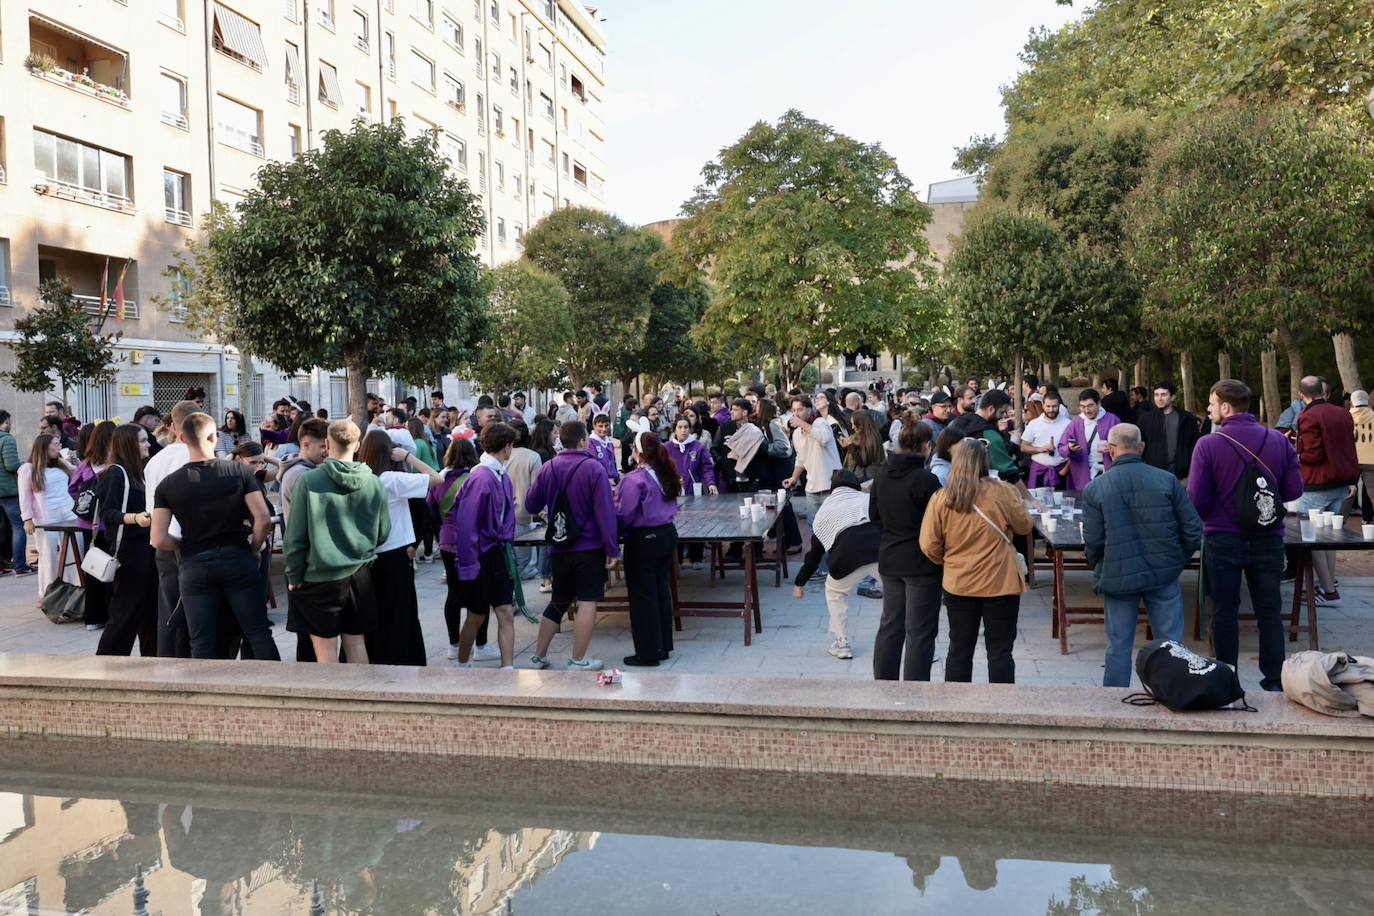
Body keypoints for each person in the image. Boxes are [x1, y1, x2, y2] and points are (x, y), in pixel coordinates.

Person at [1188, 380, 1303, 691]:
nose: (1209, 409)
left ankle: (1226, 678)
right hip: (1268, 536)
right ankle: (1275, 680)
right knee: (1269, 610)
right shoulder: (1278, 441)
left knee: (1224, 609)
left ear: (1226, 407)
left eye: (1211, 404)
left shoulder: (1208, 445)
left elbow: (1196, 498)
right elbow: (1294, 489)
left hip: (1222, 537)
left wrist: (1220, 509)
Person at [150, 413, 280, 661]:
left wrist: (183, 546)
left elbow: (158, 538)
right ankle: (277, 691)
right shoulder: (238, 472)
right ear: (213, 436)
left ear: (180, 438)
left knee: (201, 640)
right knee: (258, 632)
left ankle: (204, 695)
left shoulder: (168, 484)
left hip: (194, 563)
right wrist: (254, 548)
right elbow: (262, 519)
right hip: (237, 557)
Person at [1082, 424, 1202, 687]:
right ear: (1141, 447)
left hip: (1118, 573)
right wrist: (1177, 560)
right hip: (1163, 571)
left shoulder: (1095, 488)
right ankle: (1172, 691)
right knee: (1171, 643)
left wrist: (1100, 563)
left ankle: (1114, 701)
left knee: (1118, 645)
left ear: (1111, 450)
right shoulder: (1167, 480)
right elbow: (1194, 529)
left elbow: (1093, 540)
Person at [919, 439, 1032, 683]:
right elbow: (1024, 526)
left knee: (959, 649)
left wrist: (949, 561)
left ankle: (957, 707)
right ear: (985, 461)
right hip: (1001, 582)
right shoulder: (1003, 491)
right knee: (1000, 650)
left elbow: (928, 544)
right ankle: (1000, 707)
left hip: (959, 582)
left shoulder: (943, 497)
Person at [282, 420, 390, 664]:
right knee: (356, 643)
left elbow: (296, 536)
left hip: (318, 575)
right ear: (358, 445)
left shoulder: (309, 482)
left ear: (328, 444)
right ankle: (359, 698)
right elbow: (383, 532)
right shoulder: (373, 481)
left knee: (325, 652)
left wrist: (294, 575)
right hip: (359, 573)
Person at [524, 421, 619, 671]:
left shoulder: (549, 467)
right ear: (582, 440)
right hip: (588, 547)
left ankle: (538, 656)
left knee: (558, 600)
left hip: (559, 546)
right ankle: (578, 659)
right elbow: (605, 512)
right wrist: (612, 548)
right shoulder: (593, 468)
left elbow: (531, 504)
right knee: (588, 601)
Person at [357, 429, 443, 666]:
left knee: (376, 614)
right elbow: (436, 478)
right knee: (400, 614)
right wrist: (407, 457)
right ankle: (401, 662)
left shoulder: (360, 479)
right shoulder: (390, 480)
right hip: (394, 556)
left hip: (368, 557)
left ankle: (378, 660)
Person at [869, 418, 942, 680]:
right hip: (921, 563)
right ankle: (915, 691)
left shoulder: (882, 475)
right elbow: (939, 524)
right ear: (926, 446)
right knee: (919, 632)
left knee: (891, 625)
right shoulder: (927, 479)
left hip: (890, 556)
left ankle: (884, 683)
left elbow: (874, 516)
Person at [449, 422, 519, 669]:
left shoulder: (500, 474)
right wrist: (469, 564)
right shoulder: (481, 477)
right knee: (477, 615)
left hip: (498, 553)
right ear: (506, 446)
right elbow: (467, 523)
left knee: (505, 611)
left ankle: (508, 668)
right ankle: (462, 662)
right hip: (480, 556)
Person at [792, 470, 880, 660]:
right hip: (879, 554)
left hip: (846, 559)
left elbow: (814, 555)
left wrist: (799, 583)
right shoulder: (867, 499)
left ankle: (842, 644)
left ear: (832, 489)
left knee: (835, 594)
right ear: (856, 485)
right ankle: (914, 641)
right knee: (901, 594)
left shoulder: (824, 512)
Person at [617, 431, 682, 667]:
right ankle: (662, 645)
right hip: (666, 534)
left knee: (643, 596)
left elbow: (624, 514)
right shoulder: (665, 472)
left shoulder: (634, 479)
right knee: (660, 591)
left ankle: (648, 652)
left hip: (644, 539)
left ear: (637, 453)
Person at [1293, 375, 1359, 605]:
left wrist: (1295, 453)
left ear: (1302, 395)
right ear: (1324, 392)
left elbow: (1313, 454)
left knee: (1309, 536)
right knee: (1328, 534)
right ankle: (1330, 582)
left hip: (1317, 482)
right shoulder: (1342, 413)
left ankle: (1329, 591)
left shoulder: (1308, 415)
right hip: (1341, 481)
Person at [94, 424, 159, 657]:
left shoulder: (140, 472)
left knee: (151, 612)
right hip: (129, 553)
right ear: (129, 444)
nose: (148, 444)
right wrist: (135, 518)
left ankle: (152, 663)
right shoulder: (115, 473)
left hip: (148, 551)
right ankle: (107, 662)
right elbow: (108, 514)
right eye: (143, 440)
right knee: (125, 613)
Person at [143, 399, 201, 657]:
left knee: (168, 607)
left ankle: (166, 659)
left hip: (162, 539)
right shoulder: (193, 455)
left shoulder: (155, 460)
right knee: (195, 608)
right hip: (189, 541)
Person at [68, 421, 116, 629]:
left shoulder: (86, 464)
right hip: (112, 524)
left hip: (88, 525)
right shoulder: (116, 465)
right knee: (113, 569)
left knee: (94, 568)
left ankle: (94, 618)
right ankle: (112, 615)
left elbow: (72, 489)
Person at [18, 434, 78, 598]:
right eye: (55, 444)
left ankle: (76, 588)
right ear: (44, 446)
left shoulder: (60, 462)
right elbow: (24, 496)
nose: (59, 447)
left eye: (59, 443)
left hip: (68, 511)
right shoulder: (28, 468)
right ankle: (47, 593)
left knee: (75, 550)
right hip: (46, 516)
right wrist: (27, 519)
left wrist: (76, 462)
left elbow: (78, 475)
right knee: (48, 554)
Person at [946, 389, 1021, 483]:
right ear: (991, 409)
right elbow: (1009, 471)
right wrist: (1028, 497)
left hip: (954, 482)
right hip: (981, 487)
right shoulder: (989, 434)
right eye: (1001, 412)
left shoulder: (956, 423)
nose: (1003, 417)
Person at [1058, 389, 1119, 491]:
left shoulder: (1113, 420)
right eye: (1083, 406)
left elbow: (1123, 445)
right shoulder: (1076, 423)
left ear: (1098, 403)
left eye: (1090, 405)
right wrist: (1069, 448)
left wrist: (1111, 447)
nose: (1086, 410)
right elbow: (1061, 448)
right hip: (1083, 471)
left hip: (1108, 470)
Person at [783, 396, 843, 495]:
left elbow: (823, 438)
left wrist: (802, 424)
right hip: (810, 488)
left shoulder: (820, 422)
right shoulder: (797, 433)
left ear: (809, 410)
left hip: (831, 486)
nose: (796, 414)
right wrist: (793, 478)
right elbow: (800, 459)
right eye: (793, 410)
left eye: (800, 410)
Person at [1138, 381, 1199, 480]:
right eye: (1156, 395)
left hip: (1181, 474)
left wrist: (1188, 465)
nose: (1159, 398)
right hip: (1154, 473)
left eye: (1163, 395)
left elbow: (1194, 444)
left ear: (1173, 397)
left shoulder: (1187, 418)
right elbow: (1140, 444)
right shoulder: (1145, 419)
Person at [1019, 389, 1070, 489]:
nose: (1051, 410)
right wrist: (1041, 449)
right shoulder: (1034, 423)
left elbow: (1075, 451)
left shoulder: (1068, 424)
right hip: (1038, 471)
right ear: (1043, 406)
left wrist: (1065, 470)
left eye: (1054, 406)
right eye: (1048, 406)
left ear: (1059, 406)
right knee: (1037, 502)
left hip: (1061, 471)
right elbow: (1023, 447)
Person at [0, 411, 27, 577]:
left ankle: (2, 565)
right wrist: (23, 464)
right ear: (6, 422)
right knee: (18, 527)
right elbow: (11, 465)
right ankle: (20, 565)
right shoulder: (7, 439)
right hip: (8, 492)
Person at [1351, 390, 1374, 523]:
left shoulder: (1347, 417)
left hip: (1352, 460)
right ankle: (1367, 519)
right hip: (1371, 460)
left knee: (1348, 492)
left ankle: (1339, 520)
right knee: (1370, 492)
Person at [586, 413, 620, 483]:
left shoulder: (609, 442)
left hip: (610, 480)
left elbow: (613, 462)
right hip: (598, 480)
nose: (604, 429)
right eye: (600, 426)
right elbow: (592, 464)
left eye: (606, 426)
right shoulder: (591, 442)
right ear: (594, 426)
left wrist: (617, 478)